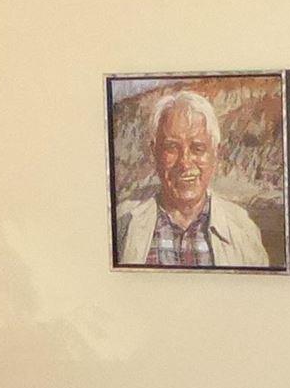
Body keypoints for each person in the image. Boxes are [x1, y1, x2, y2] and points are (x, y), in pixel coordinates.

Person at [115, 88, 269, 267]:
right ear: (154, 152)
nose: (185, 163)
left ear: (216, 153)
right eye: (172, 147)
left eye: (197, 148)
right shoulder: (123, 222)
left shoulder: (243, 229)